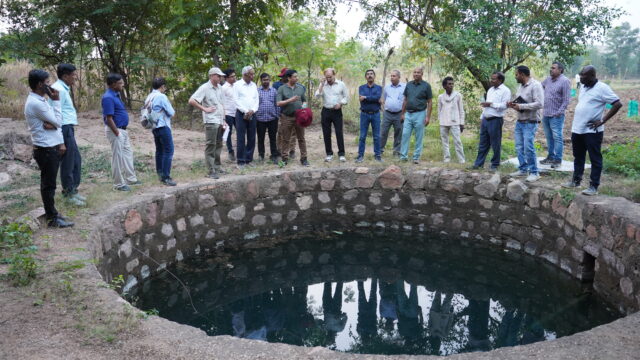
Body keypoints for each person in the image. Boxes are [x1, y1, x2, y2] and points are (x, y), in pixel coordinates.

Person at [562, 65, 622, 196]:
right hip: (578, 128)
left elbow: (617, 104)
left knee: (595, 158)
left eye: (584, 75)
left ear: (592, 76)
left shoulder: (602, 88)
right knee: (578, 156)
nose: (581, 77)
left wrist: (603, 120)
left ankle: (593, 186)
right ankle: (576, 181)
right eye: (581, 74)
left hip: (592, 130)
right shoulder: (583, 86)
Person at [24, 69, 74, 228]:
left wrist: (53, 127)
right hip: (45, 149)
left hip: (50, 147)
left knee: (50, 183)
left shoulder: (41, 100)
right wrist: (57, 101)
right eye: (47, 83)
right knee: (48, 185)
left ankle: (53, 213)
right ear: (40, 84)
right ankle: (52, 218)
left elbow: (54, 124)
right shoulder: (36, 103)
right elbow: (59, 122)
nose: (50, 86)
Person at [51, 63, 85, 206]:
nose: (75, 77)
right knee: (68, 162)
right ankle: (68, 193)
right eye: (73, 75)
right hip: (63, 128)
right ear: (65, 76)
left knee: (75, 159)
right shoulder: (58, 89)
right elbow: (54, 113)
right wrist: (60, 140)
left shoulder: (63, 88)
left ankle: (73, 190)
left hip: (68, 127)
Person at [102, 73, 139, 191]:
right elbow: (108, 118)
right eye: (120, 83)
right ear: (113, 84)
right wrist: (116, 132)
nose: (122, 85)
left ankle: (131, 179)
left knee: (128, 153)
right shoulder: (108, 97)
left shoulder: (116, 95)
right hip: (116, 130)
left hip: (122, 130)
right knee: (117, 157)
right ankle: (118, 184)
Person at [189, 67, 228, 179]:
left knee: (219, 144)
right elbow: (192, 100)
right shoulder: (205, 88)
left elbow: (222, 104)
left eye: (221, 76)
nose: (220, 77)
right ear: (211, 76)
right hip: (211, 121)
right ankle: (211, 170)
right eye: (218, 75)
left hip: (219, 120)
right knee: (211, 145)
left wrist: (224, 120)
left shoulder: (220, 88)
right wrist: (204, 109)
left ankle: (217, 167)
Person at [508, 65, 544, 182]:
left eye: (516, 74)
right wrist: (513, 105)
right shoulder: (520, 87)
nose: (515, 76)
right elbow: (520, 103)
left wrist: (521, 106)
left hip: (530, 121)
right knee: (519, 146)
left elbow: (539, 103)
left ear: (522, 75)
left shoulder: (536, 85)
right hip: (520, 120)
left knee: (528, 147)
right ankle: (523, 169)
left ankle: (534, 172)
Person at [471, 71, 511, 171]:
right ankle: (478, 164)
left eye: (494, 79)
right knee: (483, 143)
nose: (491, 80)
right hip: (486, 119)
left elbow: (505, 106)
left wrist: (491, 104)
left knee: (495, 143)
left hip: (495, 119)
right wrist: (482, 117)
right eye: (491, 78)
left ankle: (495, 165)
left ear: (500, 80)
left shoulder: (505, 91)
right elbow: (486, 106)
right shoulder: (490, 90)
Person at [145, 77, 176, 186]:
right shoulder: (161, 96)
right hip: (163, 126)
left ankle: (160, 173)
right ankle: (166, 177)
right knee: (169, 150)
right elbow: (171, 112)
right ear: (162, 86)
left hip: (154, 127)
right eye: (164, 86)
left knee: (159, 151)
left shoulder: (149, 97)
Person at [540, 61, 571, 168]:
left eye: (553, 68)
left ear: (560, 70)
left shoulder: (565, 81)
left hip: (556, 116)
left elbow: (566, 100)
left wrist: (559, 112)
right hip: (546, 114)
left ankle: (558, 160)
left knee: (557, 137)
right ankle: (550, 157)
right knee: (549, 137)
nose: (551, 69)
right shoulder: (548, 80)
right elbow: (539, 87)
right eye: (551, 68)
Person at [400, 66, 433, 164]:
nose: (416, 74)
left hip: (420, 114)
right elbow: (405, 99)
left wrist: (428, 116)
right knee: (405, 134)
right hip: (408, 114)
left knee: (419, 136)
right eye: (414, 72)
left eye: (418, 72)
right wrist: (402, 113)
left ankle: (416, 157)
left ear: (422, 74)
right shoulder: (409, 85)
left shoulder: (426, 86)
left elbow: (430, 102)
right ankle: (403, 157)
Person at [276, 69, 309, 166]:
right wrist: (290, 100)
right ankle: (284, 159)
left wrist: (304, 108)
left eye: (297, 76)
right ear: (289, 78)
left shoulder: (300, 88)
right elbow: (278, 103)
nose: (297, 78)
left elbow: (304, 101)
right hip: (287, 117)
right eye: (295, 76)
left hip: (299, 117)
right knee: (286, 139)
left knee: (301, 138)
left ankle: (304, 159)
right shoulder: (282, 88)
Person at [315, 68, 348, 162]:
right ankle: (329, 154)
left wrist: (341, 103)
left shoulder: (341, 84)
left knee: (339, 132)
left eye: (330, 76)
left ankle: (341, 154)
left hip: (337, 111)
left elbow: (346, 97)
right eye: (327, 77)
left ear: (334, 75)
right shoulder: (323, 84)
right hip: (326, 111)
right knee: (326, 133)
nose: (328, 78)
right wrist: (321, 85)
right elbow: (317, 96)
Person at [233, 66, 260, 168]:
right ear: (245, 75)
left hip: (253, 113)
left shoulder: (253, 85)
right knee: (241, 138)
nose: (253, 76)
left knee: (252, 137)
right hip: (241, 114)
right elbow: (236, 100)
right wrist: (245, 111)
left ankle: (249, 159)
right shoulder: (237, 85)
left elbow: (256, 100)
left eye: (253, 74)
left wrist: (253, 110)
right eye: (251, 74)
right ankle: (241, 161)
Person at [356, 69, 383, 163]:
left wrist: (366, 97)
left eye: (371, 74)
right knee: (362, 136)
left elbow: (377, 97)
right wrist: (374, 99)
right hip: (364, 114)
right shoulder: (361, 87)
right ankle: (360, 155)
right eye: (367, 74)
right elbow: (361, 99)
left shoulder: (379, 88)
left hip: (376, 114)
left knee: (377, 136)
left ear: (374, 76)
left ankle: (378, 155)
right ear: (365, 77)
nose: (369, 75)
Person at [437, 76, 465, 163]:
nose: (451, 85)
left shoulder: (458, 95)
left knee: (457, 141)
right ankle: (447, 158)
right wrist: (440, 120)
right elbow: (439, 110)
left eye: (452, 84)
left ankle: (461, 160)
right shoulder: (441, 97)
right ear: (444, 86)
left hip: (455, 122)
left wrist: (462, 123)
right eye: (449, 84)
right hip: (443, 122)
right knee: (445, 141)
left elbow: (461, 110)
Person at [273, 67, 298, 160]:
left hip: (293, 112)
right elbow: (275, 100)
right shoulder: (277, 85)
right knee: (281, 132)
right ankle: (279, 150)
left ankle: (292, 150)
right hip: (281, 112)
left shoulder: (296, 85)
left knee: (293, 133)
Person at [256, 73, 280, 164]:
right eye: (264, 80)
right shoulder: (257, 91)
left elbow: (277, 104)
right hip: (260, 119)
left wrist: (277, 116)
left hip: (272, 119)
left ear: (269, 80)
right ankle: (261, 155)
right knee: (260, 138)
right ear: (261, 81)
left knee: (273, 138)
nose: (266, 81)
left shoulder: (274, 91)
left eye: (267, 79)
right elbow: (255, 104)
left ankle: (274, 155)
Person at [380, 70, 405, 158]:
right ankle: (379, 151)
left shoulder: (404, 87)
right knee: (383, 132)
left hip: (399, 113)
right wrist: (384, 109)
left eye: (394, 76)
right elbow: (383, 99)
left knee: (398, 132)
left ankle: (396, 152)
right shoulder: (387, 87)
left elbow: (406, 100)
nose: (392, 78)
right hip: (387, 113)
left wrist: (404, 113)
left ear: (399, 77)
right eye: (391, 76)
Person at [222, 68, 237, 162]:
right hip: (228, 113)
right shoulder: (223, 88)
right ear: (226, 78)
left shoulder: (237, 86)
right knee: (228, 132)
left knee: (241, 131)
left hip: (238, 112)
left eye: (234, 76)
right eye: (232, 77)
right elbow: (222, 102)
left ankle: (241, 151)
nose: (234, 78)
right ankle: (230, 151)